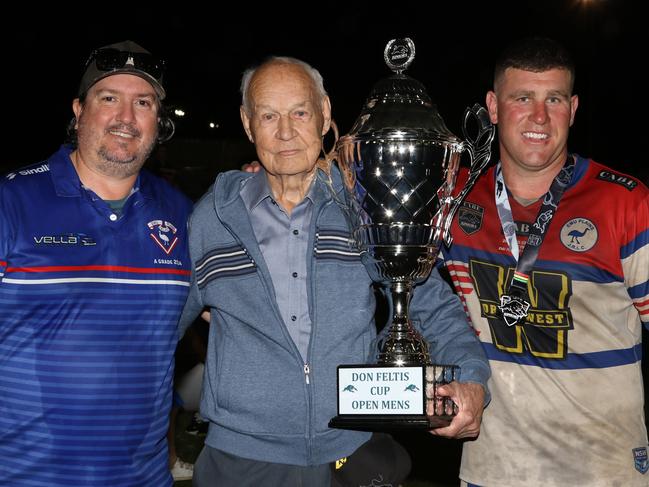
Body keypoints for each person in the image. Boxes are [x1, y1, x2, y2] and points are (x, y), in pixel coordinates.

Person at [179, 56, 491, 487]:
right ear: (247, 123)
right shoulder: (211, 218)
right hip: (240, 463)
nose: (285, 132)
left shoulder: (364, 206)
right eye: (268, 115)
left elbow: (433, 307)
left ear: (325, 114)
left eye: (300, 113)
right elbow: (161, 329)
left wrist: (472, 380)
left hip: (352, 455)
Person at [440, 37, 649, 486]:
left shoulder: (625, 204)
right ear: (493, 107)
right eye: (523, 98)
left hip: (603, 471)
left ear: (572, 110)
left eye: (553, 99)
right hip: (492, 470)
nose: (539, 117)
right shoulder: (452, 198)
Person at [0, 40, 194, 486]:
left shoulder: (182, 214)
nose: (126, 118)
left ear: (157, 121)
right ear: (78, 110)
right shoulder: (12, 202)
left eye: (142, 103)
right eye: (109, 98)